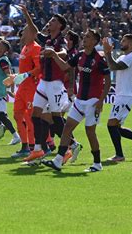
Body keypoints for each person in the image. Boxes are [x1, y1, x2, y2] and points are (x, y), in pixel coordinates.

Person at [42, 29, 111, 172]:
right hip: (80, 101)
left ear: (94, 42)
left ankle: (97, 164)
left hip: (92, 101)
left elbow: (108, 81)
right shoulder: (79, 56)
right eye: (84, 36)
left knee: (90, 132)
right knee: (67, 128)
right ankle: (58, 161)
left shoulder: (99, 59)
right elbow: (65, 67)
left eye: (88, 37)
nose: (84, 39)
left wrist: (101, 101)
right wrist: (54, 55)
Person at [19, 5, 70, 163]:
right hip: (43, 81)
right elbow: (34, 31)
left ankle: (67, 147)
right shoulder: (48, 40)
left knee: (55, 118)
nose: (50, 22)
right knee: (35, 115)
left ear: (60, 26)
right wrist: (27, 14)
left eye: (53, 21)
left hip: (55, 83)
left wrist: (54, 53)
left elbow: (65, 53)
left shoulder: (61, 40)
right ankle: (38, 149)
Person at [101, 34, 132, 162]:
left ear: (131, 44)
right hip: (122, 96)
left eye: (124, 41)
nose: (121, 42)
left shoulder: (131, 57)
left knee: (111, 125)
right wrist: (104, 55)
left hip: (125, 96)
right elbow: (110, 65)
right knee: (116, 127)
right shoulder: (123, 57)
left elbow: (114, 66)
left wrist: (108, 53)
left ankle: (119, 155)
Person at [9, 26, 41, 158]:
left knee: (29, 118)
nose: (21, 34)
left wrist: (26, 75)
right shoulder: (24, 48)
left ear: (32, 34)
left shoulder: (36, 48)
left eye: (24, 32)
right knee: (17, 115)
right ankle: (24, 145)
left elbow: (39, 67)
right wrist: (17, 77)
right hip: (22, 87)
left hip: (31, 88)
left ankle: (33, 147)